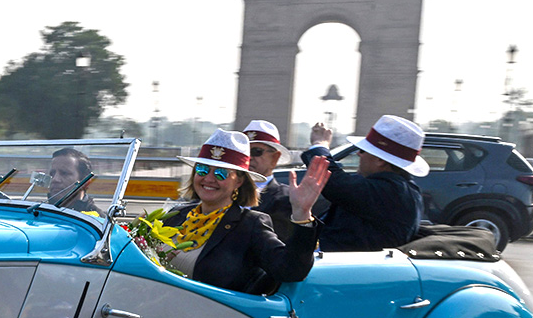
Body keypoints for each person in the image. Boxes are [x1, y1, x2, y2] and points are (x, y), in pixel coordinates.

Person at [161, 129, 330, 293]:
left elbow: (290, 270)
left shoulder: (250, 225)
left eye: (221, 173)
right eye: (202, 169)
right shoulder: (177, 215)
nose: (209, 179)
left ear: (239, 181)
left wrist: (302, 213)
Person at [301, 115, 428, 252]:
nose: (359, 155)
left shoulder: (392, 190)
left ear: (380, 161)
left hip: (348, 267)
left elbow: (335, 182)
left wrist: (320, 145)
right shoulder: (397, 188)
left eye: (363, 150)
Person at [242, 119, 296, 240]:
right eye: (244, 152)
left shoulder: (286, 199)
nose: (249, 158)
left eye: (256, 152)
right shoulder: (223, 190)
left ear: (275, 158)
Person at [47, 147, 104, 216]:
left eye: (64, 173)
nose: (55, 179)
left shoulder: (97, 221)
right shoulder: (38, 211)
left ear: (85, 182)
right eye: (52, 174)